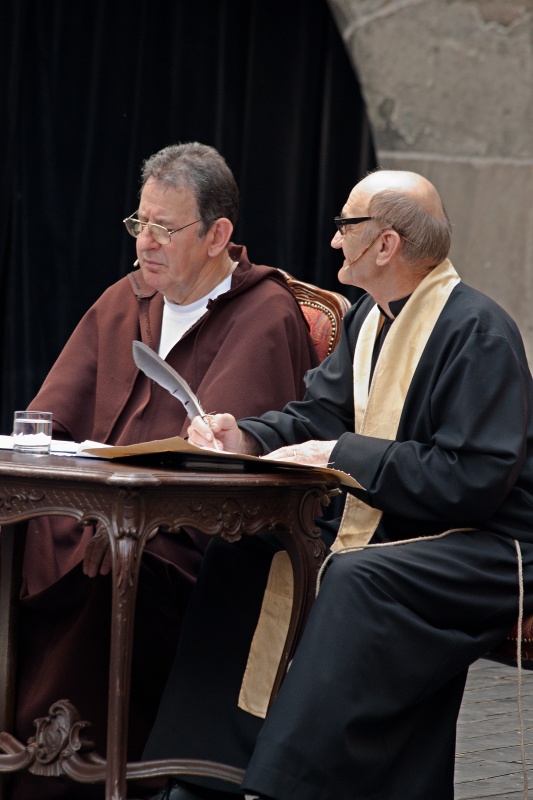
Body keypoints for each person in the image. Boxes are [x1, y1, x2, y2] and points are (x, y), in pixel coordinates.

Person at [140, 169, 533, 800]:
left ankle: (287, 787)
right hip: (398, 519)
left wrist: (344, 454)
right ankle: (202, 773)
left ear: (386, 245)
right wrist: (245, 437)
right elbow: (319, 417)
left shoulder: (478, 331)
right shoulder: (368, 319)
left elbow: (474, 479)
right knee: (246, 549)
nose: (333, 241)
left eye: (346, 225)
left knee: (358, 578)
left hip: (488, 544)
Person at [12, 142, 319, 800]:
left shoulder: (265, 315)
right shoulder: (122, 301)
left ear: (218, 235)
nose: (144, 242)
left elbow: (222, 466)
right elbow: (47, 422)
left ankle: (74, 776)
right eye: (139, 222)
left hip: (182, 543)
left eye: (163, 227)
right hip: (85, 516)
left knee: (110, 567)